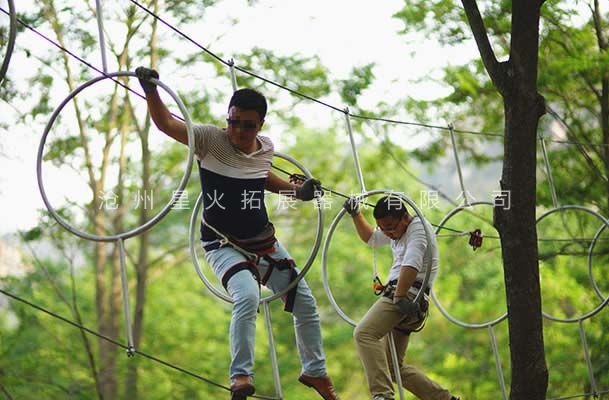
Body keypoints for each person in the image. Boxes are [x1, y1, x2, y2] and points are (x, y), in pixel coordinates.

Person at [135, 67, 339, 400]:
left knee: (304, 301)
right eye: (233, 122)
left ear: (260, 126)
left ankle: (315, 372)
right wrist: (151, 90)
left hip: (263, 241)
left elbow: (265, 179)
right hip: (222, 242)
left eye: (248, 125)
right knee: (247, 295)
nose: (239, 131)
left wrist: (296, 191)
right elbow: (166, 124)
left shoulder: (266, 148)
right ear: (226, 119)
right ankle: (241, 376)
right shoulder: (209, 139)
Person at [343, 195, 459, 400]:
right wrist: (356, 214)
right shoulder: (396, 229)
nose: (389, 234)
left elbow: (412, 264)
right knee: (393, 367)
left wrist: (399, 295)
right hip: (406, 299)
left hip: (407, 295)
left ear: (405, 217)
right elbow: (372, 238)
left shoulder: (418, 230)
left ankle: (382, 394)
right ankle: (445, 399)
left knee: (364, 333)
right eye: (384, 229)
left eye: (390, 228)